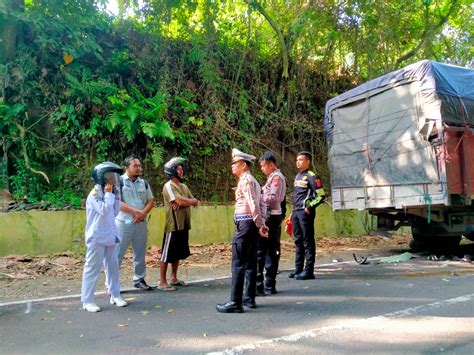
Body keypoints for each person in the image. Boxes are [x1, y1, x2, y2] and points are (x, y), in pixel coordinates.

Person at [216, 149, 268, 313]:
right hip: (250, 225)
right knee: (251, 262)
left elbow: (253, 204)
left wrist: (260, 224)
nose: (232, 166)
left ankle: (235, 302)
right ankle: (249, 298)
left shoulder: (246, 181)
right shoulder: (253, 181)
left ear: (243, 165)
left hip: (245, 225)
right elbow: (263, 204)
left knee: (238, 263)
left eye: (235, 164)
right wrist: (261, 223)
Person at [81, 162, 128, 312]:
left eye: (114, 176)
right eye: (110, 176)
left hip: (110, 235)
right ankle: (87, 300)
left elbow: (114, 212)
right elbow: (104, 210)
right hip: (97, 237)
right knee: (92, 269)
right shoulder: (94, 195)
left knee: (113, 267)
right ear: (102, 178)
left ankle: (115, 295)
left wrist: (115, 197)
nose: (114, 179)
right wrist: (109, 195)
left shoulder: (111, 193)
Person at [116, 156, 155, 291]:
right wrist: (136, 212)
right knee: (118, 253)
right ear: (127, 167)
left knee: (140, 252)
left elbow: (150, 200)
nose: (139, 168)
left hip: (141, 222)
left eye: (139, 165)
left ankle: (139, 279)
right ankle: (113, 284)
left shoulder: (143, 183)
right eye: (135, 166)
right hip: (123, 223)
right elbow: (117, 202)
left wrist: (142, 213)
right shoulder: (119, 181)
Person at [160, 157, 199, 291]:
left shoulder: (183, 186)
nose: (181, 171)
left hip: (183, 224)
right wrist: (185, 202)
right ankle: (162, 281)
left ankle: (174, 278)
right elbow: (180, 201)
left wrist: (185, 202)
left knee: (177, 252)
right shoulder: (168, 186)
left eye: (181, 169)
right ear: (172, 171)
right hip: (173, 225)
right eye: (179, 169)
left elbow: (193, 201)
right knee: (167, 253)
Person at [290, 151, 326, 280]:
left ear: (307, 162)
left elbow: (321, 196)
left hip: (305, 213)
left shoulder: (312, 176)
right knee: (298, 240)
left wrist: (309, 207)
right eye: (297, 160)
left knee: (307, 241)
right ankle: (298, 269)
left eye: (301, 160)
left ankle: (309, 270)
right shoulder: (298, 176)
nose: (298, 162)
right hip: (296, 211)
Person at [257, 151, 286, 295]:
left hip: (271, 217)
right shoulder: (272, 177)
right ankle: (265, 284)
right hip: (271, 216)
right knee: (266, 250)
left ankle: (267, 284)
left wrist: (259, 196)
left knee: (266, 250)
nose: (262, 169)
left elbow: (273, 198)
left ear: (271, 165)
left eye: (263, 166)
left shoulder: (276, 178)